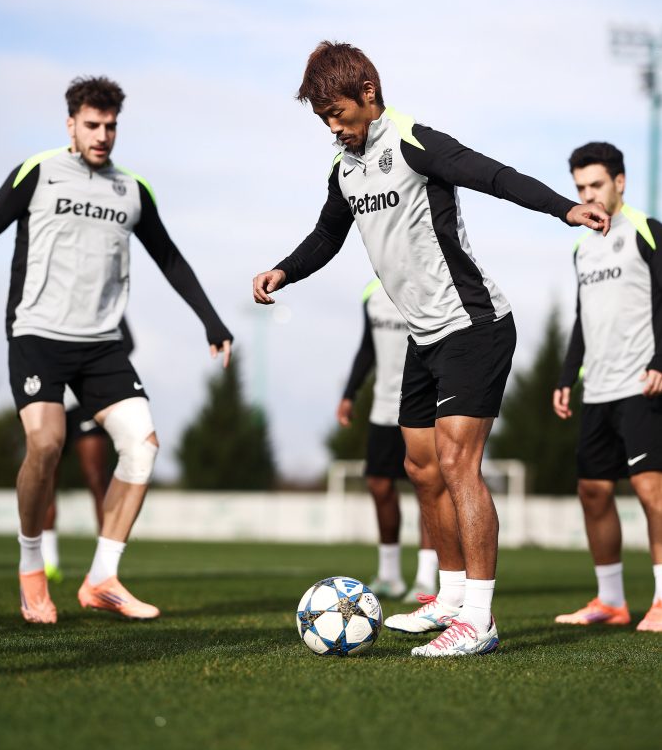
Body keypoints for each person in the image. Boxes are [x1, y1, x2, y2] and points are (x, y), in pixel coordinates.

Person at [253, 41, 609, 658]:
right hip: (422, 334)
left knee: (456, 463)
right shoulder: (346, 167)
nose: (332, 127)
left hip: (474, 326)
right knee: (420, 467)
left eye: (336, 113)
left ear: (368, 94)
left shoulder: (414, 141)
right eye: (322, 120)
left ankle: (479, 617)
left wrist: (564, 208)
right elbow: (327, 234)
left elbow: (493, 174)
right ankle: (446, 599)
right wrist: (284, 271)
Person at [0, 76, 232, 624]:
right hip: (38, 335)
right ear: (70, 124)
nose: (102, 135)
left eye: (110, 125)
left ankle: (102, 577)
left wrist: (212, 321)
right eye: (92, 124)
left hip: (101, 346)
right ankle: (30, 571)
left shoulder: (132, 190)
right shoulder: (38, 172)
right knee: (46, 446)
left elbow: (169, 258)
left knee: (142, 447)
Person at [553, 142, 662, 633]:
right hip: (596, 388)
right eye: (580, 187)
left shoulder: (647, 232)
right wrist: (565, 376)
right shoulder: (582, 245)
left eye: (595, 184)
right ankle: (612, 601)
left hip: (642, 384)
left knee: (650, 490)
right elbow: (583, 317)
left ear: (620, 182)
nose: (588, 195)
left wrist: (661, 361)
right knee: (593, 491)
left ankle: (661, 601)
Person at [337, 277, 439, 600]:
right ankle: (389, 575)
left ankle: (426, 580)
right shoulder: (370, 293)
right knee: (379, 485)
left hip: (423, 405)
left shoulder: (428, 284)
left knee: (428, 487)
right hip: (383, 407)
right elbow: (368, 346)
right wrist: (349, 393)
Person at [42, 317, 135, 582]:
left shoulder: (103, 297)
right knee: (48, 476)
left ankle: (105, 565)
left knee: (97, 478)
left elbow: (127, 342)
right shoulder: (47, 295)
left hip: (86, 401)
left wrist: (93, 370)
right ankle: (49, 562)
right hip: (52, 398)